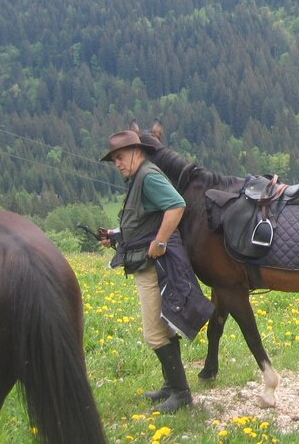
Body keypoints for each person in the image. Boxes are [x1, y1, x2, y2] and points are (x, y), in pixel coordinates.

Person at [99, 130, 213, 413]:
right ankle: (170, 386)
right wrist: (115, 235)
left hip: (154, 266)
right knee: (164, 326)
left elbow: (176, 205)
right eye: (114, 159)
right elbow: (145, 221)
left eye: (120, 157)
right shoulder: (140, 178)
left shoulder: (148, 177)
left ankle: (181, 393)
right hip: (147, 262)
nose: (117, 163)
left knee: (153, 333)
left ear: (137, 152)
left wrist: (160, 242)